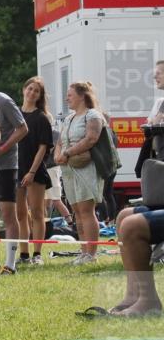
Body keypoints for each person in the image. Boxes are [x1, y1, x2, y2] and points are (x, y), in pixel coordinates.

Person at [54, 81, 106, 265]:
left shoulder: (93, 115)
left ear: (82, 96)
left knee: (86, 210)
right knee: (76, 211)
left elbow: (91, 138)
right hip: (68, 169)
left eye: (70, 94)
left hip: (87, 168)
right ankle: (83, 252)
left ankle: (91, 254)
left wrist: (68, 153)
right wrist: (58, 154)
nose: (67, 98)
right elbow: (60, 141)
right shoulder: (69, 118)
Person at [15, 77, 54, 267]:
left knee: (37, 212)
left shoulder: (41, 118)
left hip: (34, 171)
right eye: (30, 89)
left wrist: (31, 172)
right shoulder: (14, 114)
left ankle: (37, 253)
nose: (32, 93)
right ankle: (23, 253)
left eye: (36, 91)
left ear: (40, 96)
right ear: (24, 90)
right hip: (15, 169)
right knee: (20, 214)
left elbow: (43, 147)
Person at [0, 87, 29, 274]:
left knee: (8, 215)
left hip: (6, 165)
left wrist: (4, 147)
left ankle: (11, 264)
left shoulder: (4, 101)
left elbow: (23, 128)